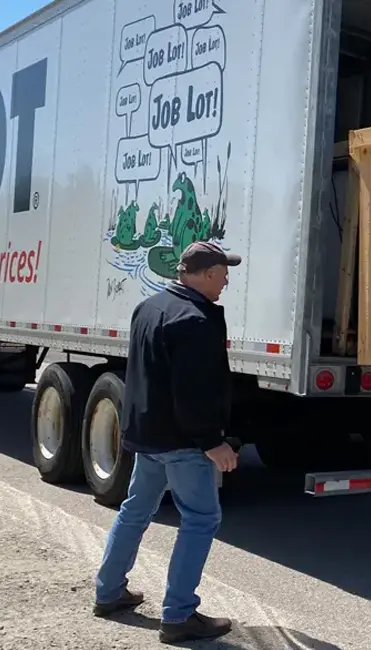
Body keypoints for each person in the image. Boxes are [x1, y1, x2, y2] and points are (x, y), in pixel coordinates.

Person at [93, 241, 242, 643]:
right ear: (206, 273)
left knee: (135, 510)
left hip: (148, 437)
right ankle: (178, 616)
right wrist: (213, 442)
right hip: (182, 442)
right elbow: (192, 391)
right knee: (201, 519)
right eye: (223, 272)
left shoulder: (149, 307)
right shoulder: (196, 320)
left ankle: (108, 592)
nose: (227, 279)